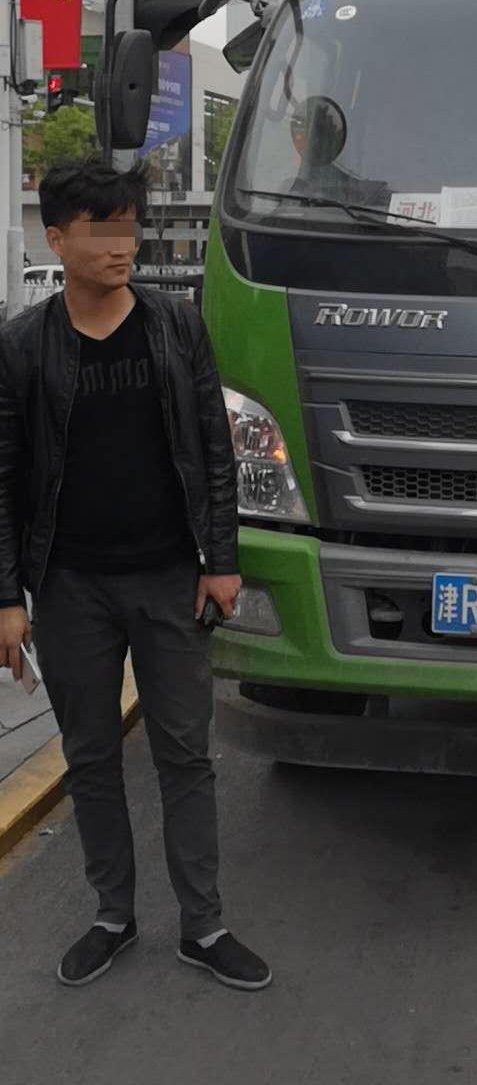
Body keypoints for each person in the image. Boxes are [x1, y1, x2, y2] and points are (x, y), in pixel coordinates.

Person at [0, 158, 271, 992]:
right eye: (103, 230)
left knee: (186, 754)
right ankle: (112, 916)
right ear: (57, 240)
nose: (125, 244)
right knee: (89, 758)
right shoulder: (22, 346)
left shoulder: (175, 327)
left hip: (168, 578)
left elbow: (215, 449)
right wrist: (8, 598)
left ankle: (204, 924)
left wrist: (222, 561)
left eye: (131, 226)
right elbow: (5, 478)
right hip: (70, 586)